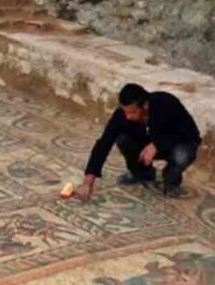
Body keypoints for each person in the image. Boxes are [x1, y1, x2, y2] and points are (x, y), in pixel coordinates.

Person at [74, 83, 202, 201]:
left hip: (174, 145)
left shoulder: (166, 102)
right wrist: (88, 182)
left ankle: (171, 179)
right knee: (123, 139)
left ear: (145, 105)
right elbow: (104, 143)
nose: (128, 116)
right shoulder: (123, 115)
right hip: (146, 148)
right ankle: (142, 173)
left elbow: (192, 134)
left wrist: (157, 144)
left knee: (183, 155)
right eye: (126, 112)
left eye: (133, 112)